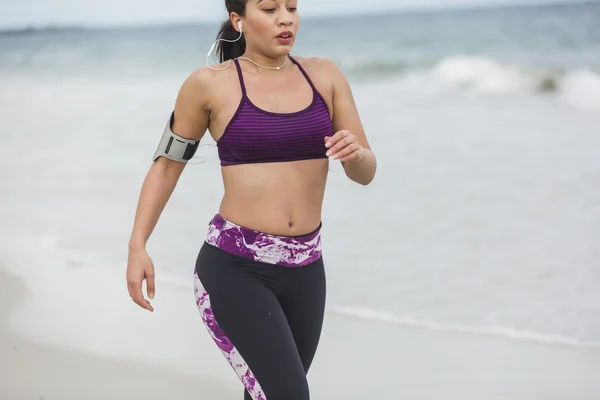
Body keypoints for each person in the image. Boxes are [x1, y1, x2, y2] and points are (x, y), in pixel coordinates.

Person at [126, 0, 377, 399]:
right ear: (238, 19)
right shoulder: (209, 84)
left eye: (292, 7)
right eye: (269, 8)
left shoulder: (325, 76)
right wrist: (137, 245)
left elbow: (365, 173)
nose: (285, 18)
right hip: (235, 270)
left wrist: (357, 154)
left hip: (307, 270)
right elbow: (166, 167)